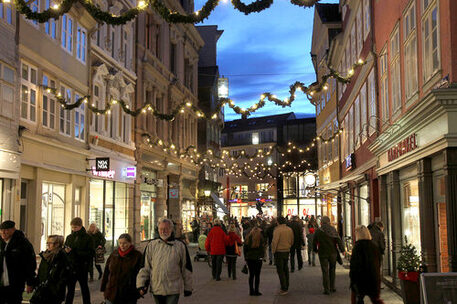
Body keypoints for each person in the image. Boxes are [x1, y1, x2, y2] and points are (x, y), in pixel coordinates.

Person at [137, 218, 192, 304]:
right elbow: (145, 267)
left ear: (171, 230)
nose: (163, 231)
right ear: (158, 230)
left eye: (166, 229)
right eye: (161, 229)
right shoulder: (151, 245)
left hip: (173, 289)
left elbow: (186, 267)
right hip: (156, 288)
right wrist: (141, 285)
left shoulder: (180, 246)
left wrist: (188, 287)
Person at [0, 220, 36, 304]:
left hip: (15, 283)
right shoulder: (1, 243)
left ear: (13, 230)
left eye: (6, 230)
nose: (3, 232)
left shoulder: (22, 243)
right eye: (1, 230)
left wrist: (30, 282)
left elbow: (29, 264)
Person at [101, 234, 142, 304]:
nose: (122, 245)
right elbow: (107, 272)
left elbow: (141, 274)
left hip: (128, 293)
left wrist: (140, 289)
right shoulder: (114, 254)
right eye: (120, 243)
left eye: (125, 243)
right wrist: (104, 287)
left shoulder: (136, 256)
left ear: (130, 243)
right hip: (111, 291)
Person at [31, 235, 70, 304]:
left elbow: (64, 275)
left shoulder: (61, 256)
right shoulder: (45, 256)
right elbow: (41, 272)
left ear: (57, 244)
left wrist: (56, 288)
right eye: (47, 243)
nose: (48, 245)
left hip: (54, 291)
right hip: (43, 289)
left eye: (50, 243)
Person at [350, 226, 384, 304]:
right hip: (373, 278)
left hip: (360, 279)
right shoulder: (374, 246)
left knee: (357, 299)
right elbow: (379, 262)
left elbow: (354, 265)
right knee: (375, 300)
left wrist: (352, 280)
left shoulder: (357, 247)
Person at [64, 217, 94, 304]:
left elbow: (90, 253)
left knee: (84, 287)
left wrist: (75, 252)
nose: (74, 229)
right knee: (70, 289)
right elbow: (65, 247)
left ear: (80, 226)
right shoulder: (69, 237)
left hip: (82, 266)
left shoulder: (87, 238)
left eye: (75, 227)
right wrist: (66, 251)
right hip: (71, 266)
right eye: (72, 227)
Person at [313, 216, 345, 295]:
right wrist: (342, 250)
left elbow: (314, 241)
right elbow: (338, 240)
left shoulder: (318, 230)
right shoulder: (333, 229)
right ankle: (332, 287)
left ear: (322, 222)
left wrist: (315, 250)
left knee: (325, 271)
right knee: (332, 269)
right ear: (329, 221)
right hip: (332, 252)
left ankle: (326, 289)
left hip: (323, 253)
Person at [271, 216, 294, 296]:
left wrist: (273, 251)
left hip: (279, 251)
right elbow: (292, 240)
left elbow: (275, 242)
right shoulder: (289, 229)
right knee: (285, 268)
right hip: (286, 250)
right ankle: (286, 285)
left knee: (280, 270)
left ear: (278, 222)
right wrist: (288, 246)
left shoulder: (277, 230)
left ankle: (283, 288)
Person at [243, 226, 265, 296]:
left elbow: (245, 249)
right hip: (258, 259)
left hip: (250, 259)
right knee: (257, 275)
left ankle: (251, 291)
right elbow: (262, 249)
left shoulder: (248, 238)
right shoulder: (260, 238)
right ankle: (256, 290)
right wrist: (262, 256)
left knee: (251, 275)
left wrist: (246, 258)